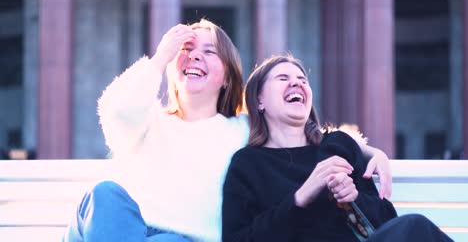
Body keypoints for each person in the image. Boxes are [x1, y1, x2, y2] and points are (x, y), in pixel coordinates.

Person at [63, 20, 392, 242]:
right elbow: (117, 110)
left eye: (209, 52)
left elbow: (306, 137)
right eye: (187, 51)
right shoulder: (146, 121)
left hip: (182, 238)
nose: (195, 57)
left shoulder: (242, 130)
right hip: (117, 229)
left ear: (227, 77)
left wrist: (369, 152)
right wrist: (160, 56)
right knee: (105, 195)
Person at [222, 55, 453, 242]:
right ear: (259, 100)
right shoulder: (248, 163)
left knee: (414, 226)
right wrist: (299, 198)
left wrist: (354, 200)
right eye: (282, 78)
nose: (297, 83)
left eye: (303, 80)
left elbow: (388, 224)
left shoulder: (336, 145)